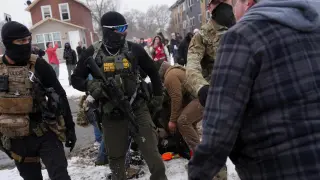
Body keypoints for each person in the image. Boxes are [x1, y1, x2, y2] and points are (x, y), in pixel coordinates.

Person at [189, 0, 320, 180]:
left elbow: (218, 133)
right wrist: (202, 88)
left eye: (232, 4)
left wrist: (198, 173)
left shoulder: (241, 34)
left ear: (248, 3)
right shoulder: (312, 27)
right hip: (218, 93)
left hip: (274, 164)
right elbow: (192, 67)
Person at [71, 11, 167, 180]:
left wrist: (157, 98)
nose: (125, 32)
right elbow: (76, 79)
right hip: (111, 113)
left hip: (137, 109)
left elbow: (153, 71)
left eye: (126, 28)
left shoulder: (134, 49)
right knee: (116, 162)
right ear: (108, 30)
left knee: (155, 159)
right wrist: (91, 85)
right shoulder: (92, 52)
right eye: (121, 28)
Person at [0, 21, 76, 180]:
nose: (26, 44)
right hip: (16, 138)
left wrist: (70, 128)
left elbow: (60, 95)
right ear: (7, 42)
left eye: (28, 39)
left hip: (45, 132)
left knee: (60, 176)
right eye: (21, 41)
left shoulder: (38, 64)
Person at [185, 0, 236, 107]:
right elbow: (192, 66)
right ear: (209, 8)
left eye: (225, 1)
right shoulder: (202, 35)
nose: (222, 5)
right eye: (217, 2)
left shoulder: (241, 26)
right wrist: (201, 87)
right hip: (218, 96)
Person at [156, 61, 203, 153]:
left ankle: (201, 158)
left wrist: (172, 120)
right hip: (203, 97)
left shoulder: (169, 77)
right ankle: (198, 155)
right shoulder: (175, 70)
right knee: (190, 123)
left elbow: (176, 98)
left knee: (183, 121)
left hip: (202, 98)